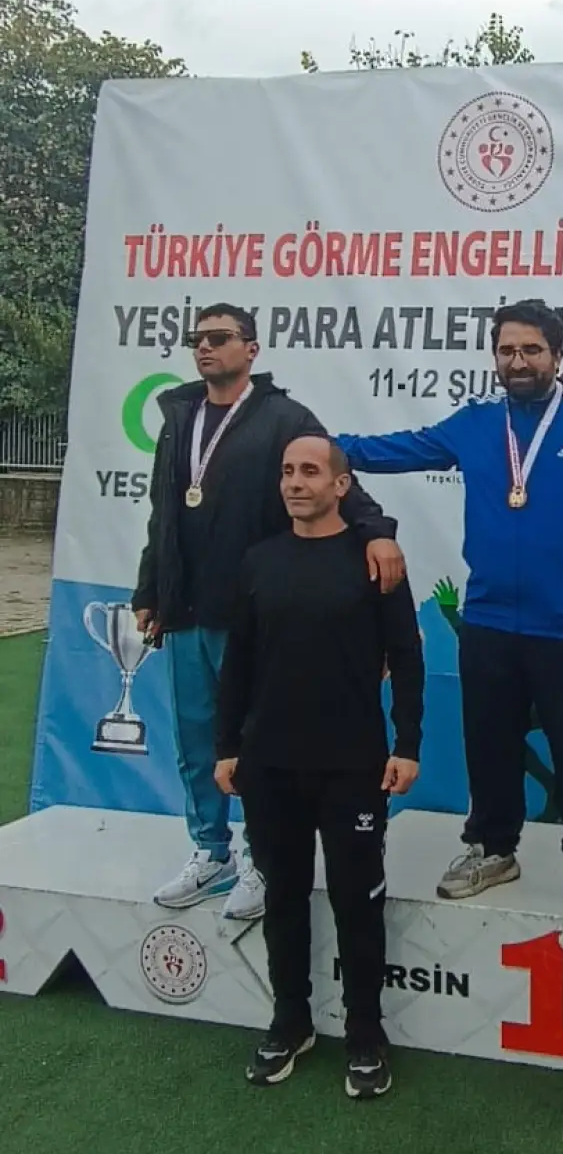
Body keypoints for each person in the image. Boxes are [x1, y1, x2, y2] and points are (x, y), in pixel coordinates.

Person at [337, 300, 563, 914]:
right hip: (487, 619)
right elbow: (405, 448)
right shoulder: (477, 421)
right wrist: (325, 447)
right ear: (494, 357)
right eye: (507, 350)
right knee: (489, 742)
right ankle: (492, 847)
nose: (518, 361)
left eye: (531, 349)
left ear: (557, 356)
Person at [133, 304, 404, 918]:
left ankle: (261, 858)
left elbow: (342, 486)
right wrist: (150, 589)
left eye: (219, 337)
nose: (205, 347)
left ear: (251, 349)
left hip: (254, 613)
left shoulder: (285, 417)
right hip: (186, 609)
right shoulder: (179, 415)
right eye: (197, 338)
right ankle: (211, 851)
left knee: (254, 742)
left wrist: (378, 533)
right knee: (196, 740)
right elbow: (163, 512)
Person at [215, 435, 424, 1097]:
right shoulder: (259, 561)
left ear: (341, 485)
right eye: (287, 472)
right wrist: (227, 746)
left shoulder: (376, 561)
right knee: (282, 896)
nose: (295, 482)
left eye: (310, 471)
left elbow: (408, 658)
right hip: (269, 765)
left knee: (357, 901)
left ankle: (365, 1034)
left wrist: (408, 745)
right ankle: (290, 1021)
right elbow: (238, 662)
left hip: (353, 765)